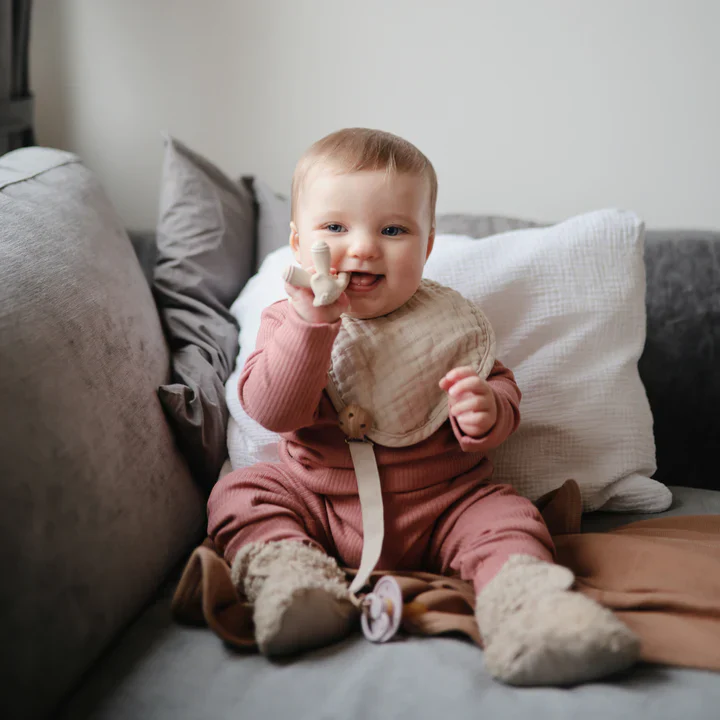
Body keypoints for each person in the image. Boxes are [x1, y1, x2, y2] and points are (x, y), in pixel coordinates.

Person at [207, 128, 639, 685]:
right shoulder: (287, 320)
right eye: (335, 228)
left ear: (427, 245)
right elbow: (274, 411)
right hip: (320, 503)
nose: (363, 247)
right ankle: (295, 581)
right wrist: (310, 327)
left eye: (392, 230)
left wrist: (487, 410)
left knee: (508, 516)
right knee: (240, 493)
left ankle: (532, 610)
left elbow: (501, 386)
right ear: (297, 243)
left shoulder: (451, 325)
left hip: (443, 507)